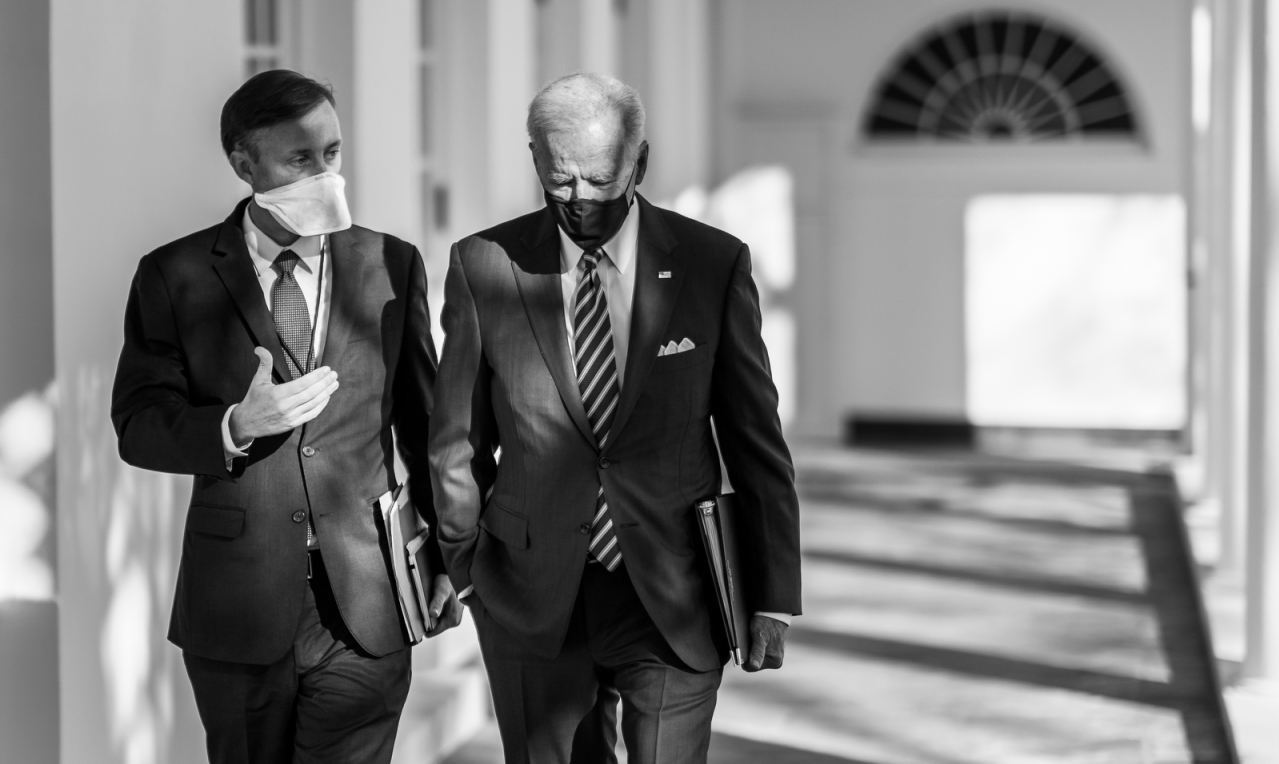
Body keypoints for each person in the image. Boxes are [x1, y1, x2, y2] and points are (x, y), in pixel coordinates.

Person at [427, 72, 802, 764]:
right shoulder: (484, 265)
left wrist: (773, 593)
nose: (581, 201)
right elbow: (457, 441)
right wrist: (466, 566)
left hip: (674, 586)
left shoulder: (711, 264)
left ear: (641, 163)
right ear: (535, 161)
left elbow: (755, 441)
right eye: (561, 179)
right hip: (529, 594)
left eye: (601, 179)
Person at [111, 69, 461, 764]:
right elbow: (139, 423)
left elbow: (426, 424)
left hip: (367, 602)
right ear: (244, 164)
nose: (323, 173)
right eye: (299, 159)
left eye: (330, 153)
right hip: (237, 608)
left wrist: (448, 557)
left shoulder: (391, 263)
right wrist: (235, 424)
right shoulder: (174, 275)